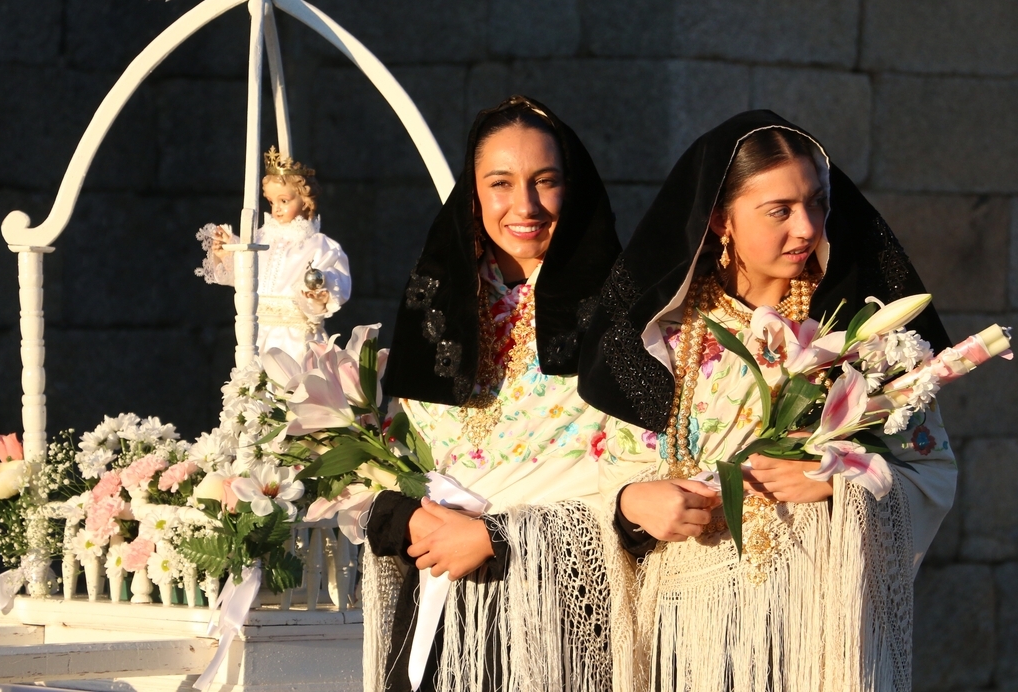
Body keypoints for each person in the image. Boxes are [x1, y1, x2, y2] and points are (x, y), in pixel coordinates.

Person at [578, 110, 957, 692]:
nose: (806, 227)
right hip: (690, 635)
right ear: (720, 220)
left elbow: (930, 473)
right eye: (779, 210)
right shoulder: (658, 340)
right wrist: (632, 504)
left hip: (819, 628)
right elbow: (608, 479)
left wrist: (842, 480)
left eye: (817, 203)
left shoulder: (860, 338)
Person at [363, 96, 622, 692]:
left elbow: (635, 487)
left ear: (572, 188)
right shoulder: (437, 307)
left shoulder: (623, 318)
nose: (525, 206)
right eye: (501, 183)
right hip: (439, 606)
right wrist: (409, 521)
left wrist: (492, 537)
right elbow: (391, 471)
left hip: (559, 618)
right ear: (473, 194)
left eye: (545, 181)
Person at [196, 147, 351, 360]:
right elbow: (247, 271)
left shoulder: (319, 245)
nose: (276, 208)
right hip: (258, 334)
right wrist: (228, 251)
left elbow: (334, 279)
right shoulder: (262, 238)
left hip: (295, 338)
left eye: (284, 201)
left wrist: (319, 289)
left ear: (304, 200)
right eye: (271, 202)